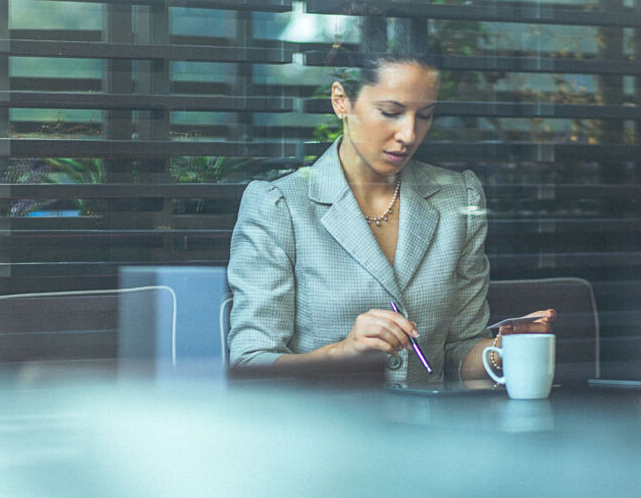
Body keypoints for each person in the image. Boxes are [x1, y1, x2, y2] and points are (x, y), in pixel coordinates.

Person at [227, 30, 554, 385]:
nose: (409, 134)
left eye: (425, 115)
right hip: (321, 432)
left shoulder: (457, 198)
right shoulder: (280, 207)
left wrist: (503, 351)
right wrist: (344, 353)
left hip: (428, 432)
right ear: (341, 101)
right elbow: (250, 364)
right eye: (391, 112)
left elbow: (461, 348)